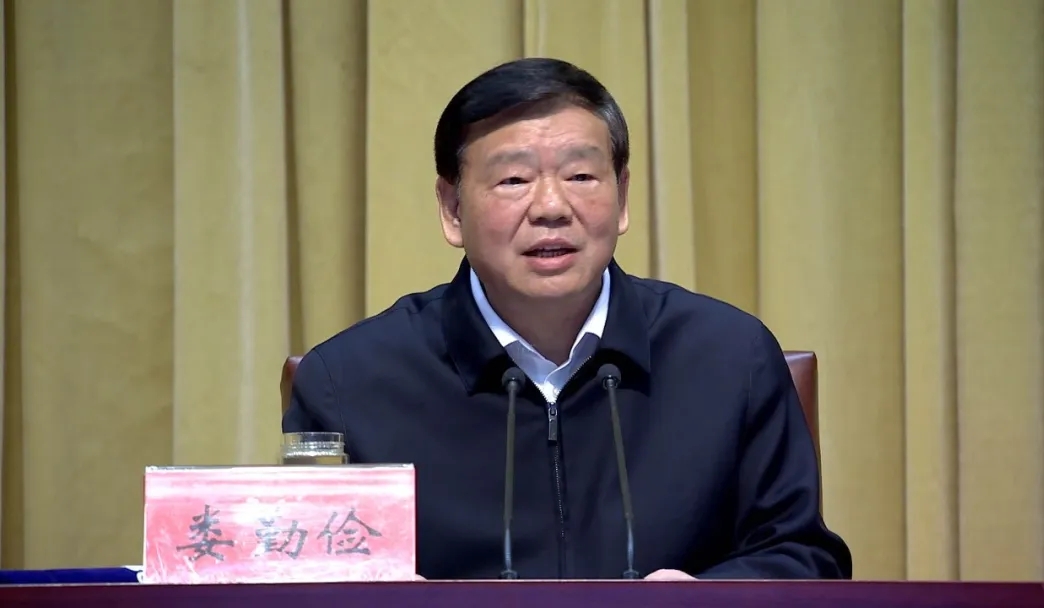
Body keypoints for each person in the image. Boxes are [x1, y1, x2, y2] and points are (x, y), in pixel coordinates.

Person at [283, 57, 852, 581]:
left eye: (581, 177)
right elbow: (301, 577)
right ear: (453, 209)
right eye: (513, 180)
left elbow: (802, 554)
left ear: (622, 197)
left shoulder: (728, 356)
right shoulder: (350, 382)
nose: (551, 207)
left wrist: (704, 597)